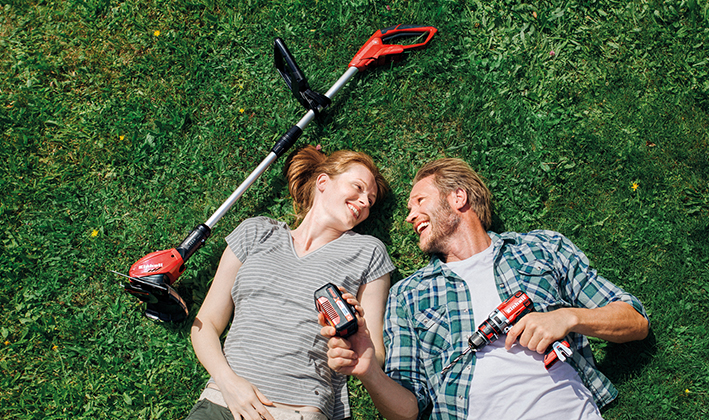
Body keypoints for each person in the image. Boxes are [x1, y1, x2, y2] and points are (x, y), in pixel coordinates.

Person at [322, 158, 649, 420]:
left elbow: (635, 321)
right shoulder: (409, 295)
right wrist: (368, 371)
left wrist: (568, 318)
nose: (410, 216)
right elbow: (407, 411)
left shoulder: (539, 249)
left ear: (458, 197)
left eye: (420, 201)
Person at [187, 145, 395, 420]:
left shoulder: (368, 252)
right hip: (225, 402)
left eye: (370, 200)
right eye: (357, 187)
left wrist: (352, 348)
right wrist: (228, 382)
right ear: (323, 181)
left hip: (298, 411)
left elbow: (374, 354)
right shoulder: (256, 232)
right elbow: (205, 325)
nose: (365, 202)